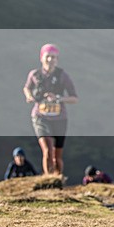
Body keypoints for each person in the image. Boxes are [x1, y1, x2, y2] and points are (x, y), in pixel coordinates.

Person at [23, 44, 78, 176]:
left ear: (57, 59)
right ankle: (48, 179)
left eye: (53, 57)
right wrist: (29, 96)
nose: (50, 60)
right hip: (40, 116)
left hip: (60, 118)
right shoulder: (34, 74)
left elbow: (74, 98)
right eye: (48, 56)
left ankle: (57, 180)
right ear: (41, 58)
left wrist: (58, 98)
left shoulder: (62, 75)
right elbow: (26, 88)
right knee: (47, 150)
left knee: (57, 155)